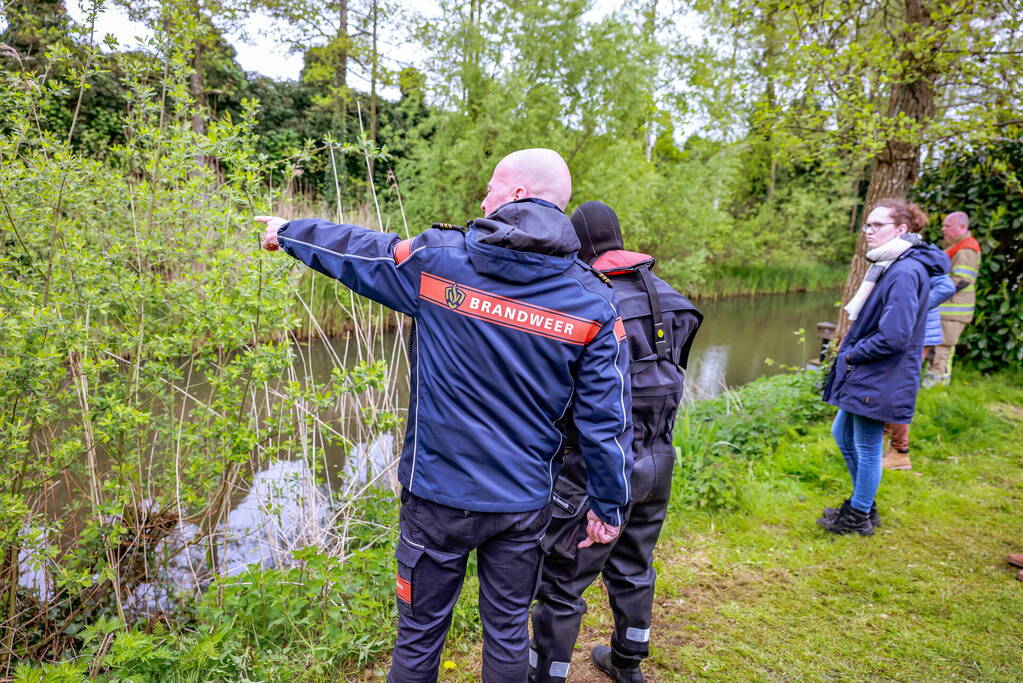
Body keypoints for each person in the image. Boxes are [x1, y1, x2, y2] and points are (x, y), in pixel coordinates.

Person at [256, 148, 633, 683]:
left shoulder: (441, 261)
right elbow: (607, 423)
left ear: (519, 195)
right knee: (505, 632)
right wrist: (609, 506)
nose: (484, 198)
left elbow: (364, 254)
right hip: (522, 504)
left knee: (419, 636)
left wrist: (290, 231)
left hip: (435, 497)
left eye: (493, 187)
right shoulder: (593, 303)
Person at [529, 201, 702, 683]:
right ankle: (628, 664)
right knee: (635, 564)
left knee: (564, 580)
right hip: (659, 455)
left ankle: (546, 673)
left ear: (577, 244)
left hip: (597, 465)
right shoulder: (671, 297)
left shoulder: (586, 299)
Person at [819, 199, 950, 535]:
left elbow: (894, 336)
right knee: (841, 434)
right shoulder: (893, 263)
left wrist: (852, 354)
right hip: (873, 371)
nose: (869, 232)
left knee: (865, 444)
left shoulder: (905, 270)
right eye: (867, 225)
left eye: (877, 225)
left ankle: (859, 515)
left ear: (902, 229)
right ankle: (864, 503)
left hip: (881, 371)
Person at [882, 260, 955, 471]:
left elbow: (946, 286)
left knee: (896, 392)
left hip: (917, 334)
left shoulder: (918, 255)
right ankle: (881, 442)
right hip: (909, 332)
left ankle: (900, 452)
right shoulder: (897, 252)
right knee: (889, 388)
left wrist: (915, 307)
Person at [925, 211, 981, 386]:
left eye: (947, 226)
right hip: (947, 309)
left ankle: (933, 385)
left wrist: (932, 294)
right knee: (938, 347)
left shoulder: (966, 249)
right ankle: (938, 383)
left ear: (962, 227)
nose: (943, 229)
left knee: (941, 348)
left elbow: (962, 280)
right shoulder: (958, 246)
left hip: (953, 311)